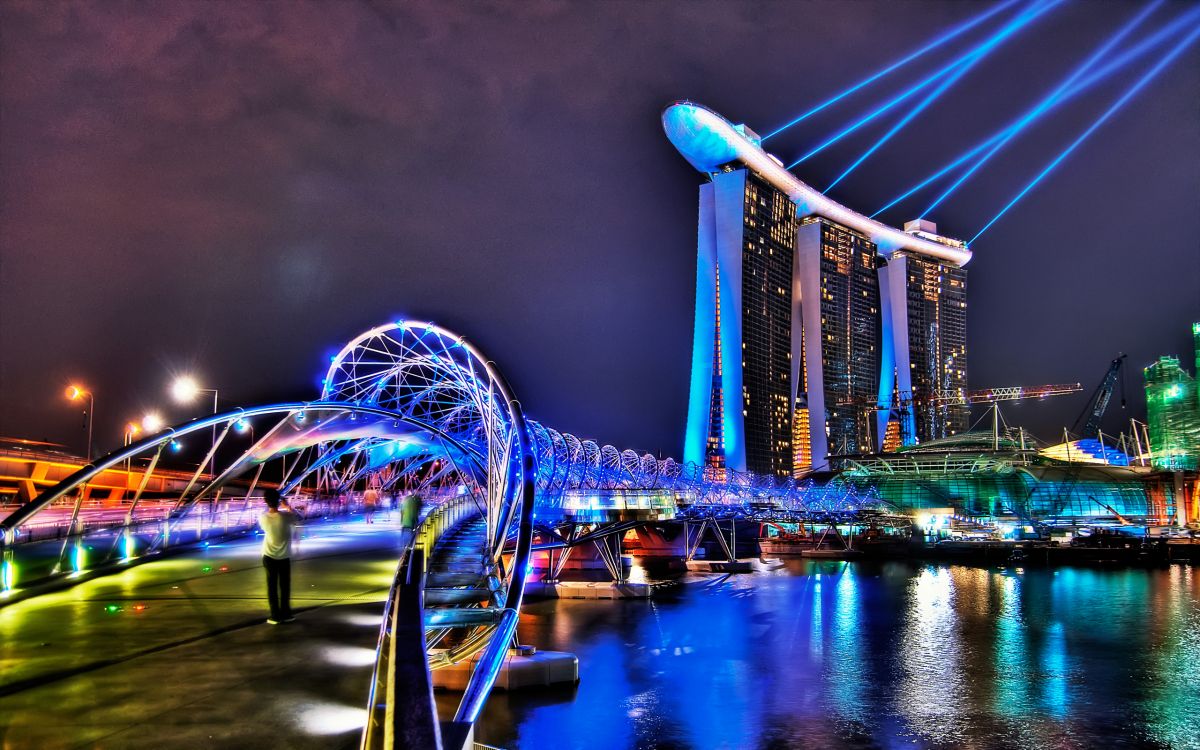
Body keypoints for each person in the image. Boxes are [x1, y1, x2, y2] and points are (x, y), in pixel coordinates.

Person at [259, 488, 298, 624]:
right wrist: (287, 506)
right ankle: (286, 613)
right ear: (278, 501)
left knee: (272, 586)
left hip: (268, 555)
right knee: (285, 586)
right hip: (284, 556)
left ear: (266, 502)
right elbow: (299, 517)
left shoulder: (263, 517)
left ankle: (274, 615)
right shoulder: (286, 517)